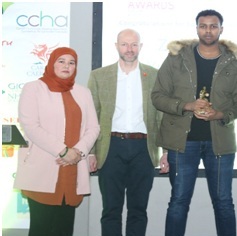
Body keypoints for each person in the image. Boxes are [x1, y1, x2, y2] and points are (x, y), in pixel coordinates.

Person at [151, 9, 237, 236]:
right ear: (196, 29)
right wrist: (187, 105)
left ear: (221, 29)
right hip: (182, 143)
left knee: (224, 202)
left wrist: (219, 114)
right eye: (203, 26)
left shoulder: (235, 63)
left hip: (220, 144)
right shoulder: (176, 59)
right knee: (178, 202)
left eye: (213, 26)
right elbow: (157, 96)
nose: (208, 30)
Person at [14, 47, 100, 236]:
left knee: (64, 229)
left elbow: (93, 128)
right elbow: (31, 126)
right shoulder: (33, 88)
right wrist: (63, 151)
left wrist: (77, 152)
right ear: (51, 63)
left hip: (72, 169)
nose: (66, 66)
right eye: (61, 61)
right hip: (44, 168)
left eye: (71, 62)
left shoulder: (83, 92)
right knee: (41, 228)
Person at [87, 29, 163, 236]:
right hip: (111, 147)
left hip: (143, 148)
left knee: (138, 210)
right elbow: (91, 115)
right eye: (124, 44)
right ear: (116, 46)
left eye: (134, 44)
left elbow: (161, 117)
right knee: (111, 210)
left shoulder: (155, 75)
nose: (129, 49)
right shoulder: (99, 76)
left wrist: (167, 151)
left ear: (141, 47)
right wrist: (91, 151)